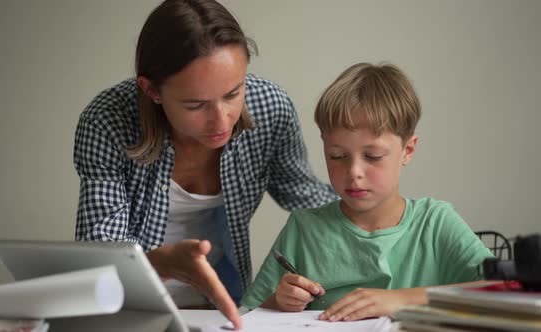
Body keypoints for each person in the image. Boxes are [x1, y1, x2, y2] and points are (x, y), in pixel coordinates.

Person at [73, 0, 337, 328]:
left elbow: (302, 192)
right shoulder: (107, 120)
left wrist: (382, 213)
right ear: (152, 89)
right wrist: (161, 263)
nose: (221, 121)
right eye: (196, 104)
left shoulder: (270, 107)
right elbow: (100, 255)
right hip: (130, 304)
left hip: (222, 301)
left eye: (233, 93)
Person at [240, 62, 494, 321]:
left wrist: (400, 300)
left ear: (408, 150)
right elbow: (249, 315)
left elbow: (504, 291)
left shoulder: (435, 223)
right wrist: (279, 302)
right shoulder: (303, 229)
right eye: (337, 156)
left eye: (372, 156)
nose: (354, 172)